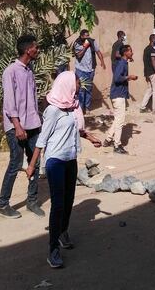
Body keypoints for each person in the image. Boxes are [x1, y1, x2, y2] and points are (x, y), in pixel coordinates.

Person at [26, 71, 102, 268]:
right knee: (58, 204)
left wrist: (90, 137)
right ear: (67, 84)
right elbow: (42, 140)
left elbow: (75, 129)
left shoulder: (72, 106)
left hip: (70, 159)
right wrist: (32, 165)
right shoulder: (53, 110)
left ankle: (63, 232)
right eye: (76, 81)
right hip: (55, 161)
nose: (78, 84)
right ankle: (53, 250)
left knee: (69, 200)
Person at [0, 35, 44, 219]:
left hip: (32, 124)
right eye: (36, 48)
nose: (37, 50)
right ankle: (2, 204)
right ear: (27, 50)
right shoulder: (11, 72)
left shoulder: (29, 71)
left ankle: (32, 201)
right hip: (16, 126)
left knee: (35, 162)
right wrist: (17, 126)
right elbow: (9, 103)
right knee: (15, 164)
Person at [105, 44, 137, 154]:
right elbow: (117, 78)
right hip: (118, 95)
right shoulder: (121, 64)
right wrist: (129, 77)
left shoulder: (124, 63)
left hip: (119, 94)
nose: (132, 53)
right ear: (125, 53)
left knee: (118, 119)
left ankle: (108, 139)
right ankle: (117, 145)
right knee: (120, 121)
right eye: (130, 51)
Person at [72, 29, 106, 113]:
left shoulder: (92, 42)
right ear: (81, 36)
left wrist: (102, 61)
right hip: (81, 70)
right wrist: (85, 46)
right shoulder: (77, 43)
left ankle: (87, 107)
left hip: (91, 70)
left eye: (88, 35)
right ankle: (80, 108)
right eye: (86, 36)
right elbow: (79, 55)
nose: (88, 37)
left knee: (88, 89)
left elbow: (98, 51)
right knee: (80, 89)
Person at [140, 34, 155, 114]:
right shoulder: (152, 50)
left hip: (147, 72)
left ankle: (142, 107)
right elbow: (153, 62)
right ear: (153, 40)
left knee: (149, 90)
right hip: (152, 72)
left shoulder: (146, 49)